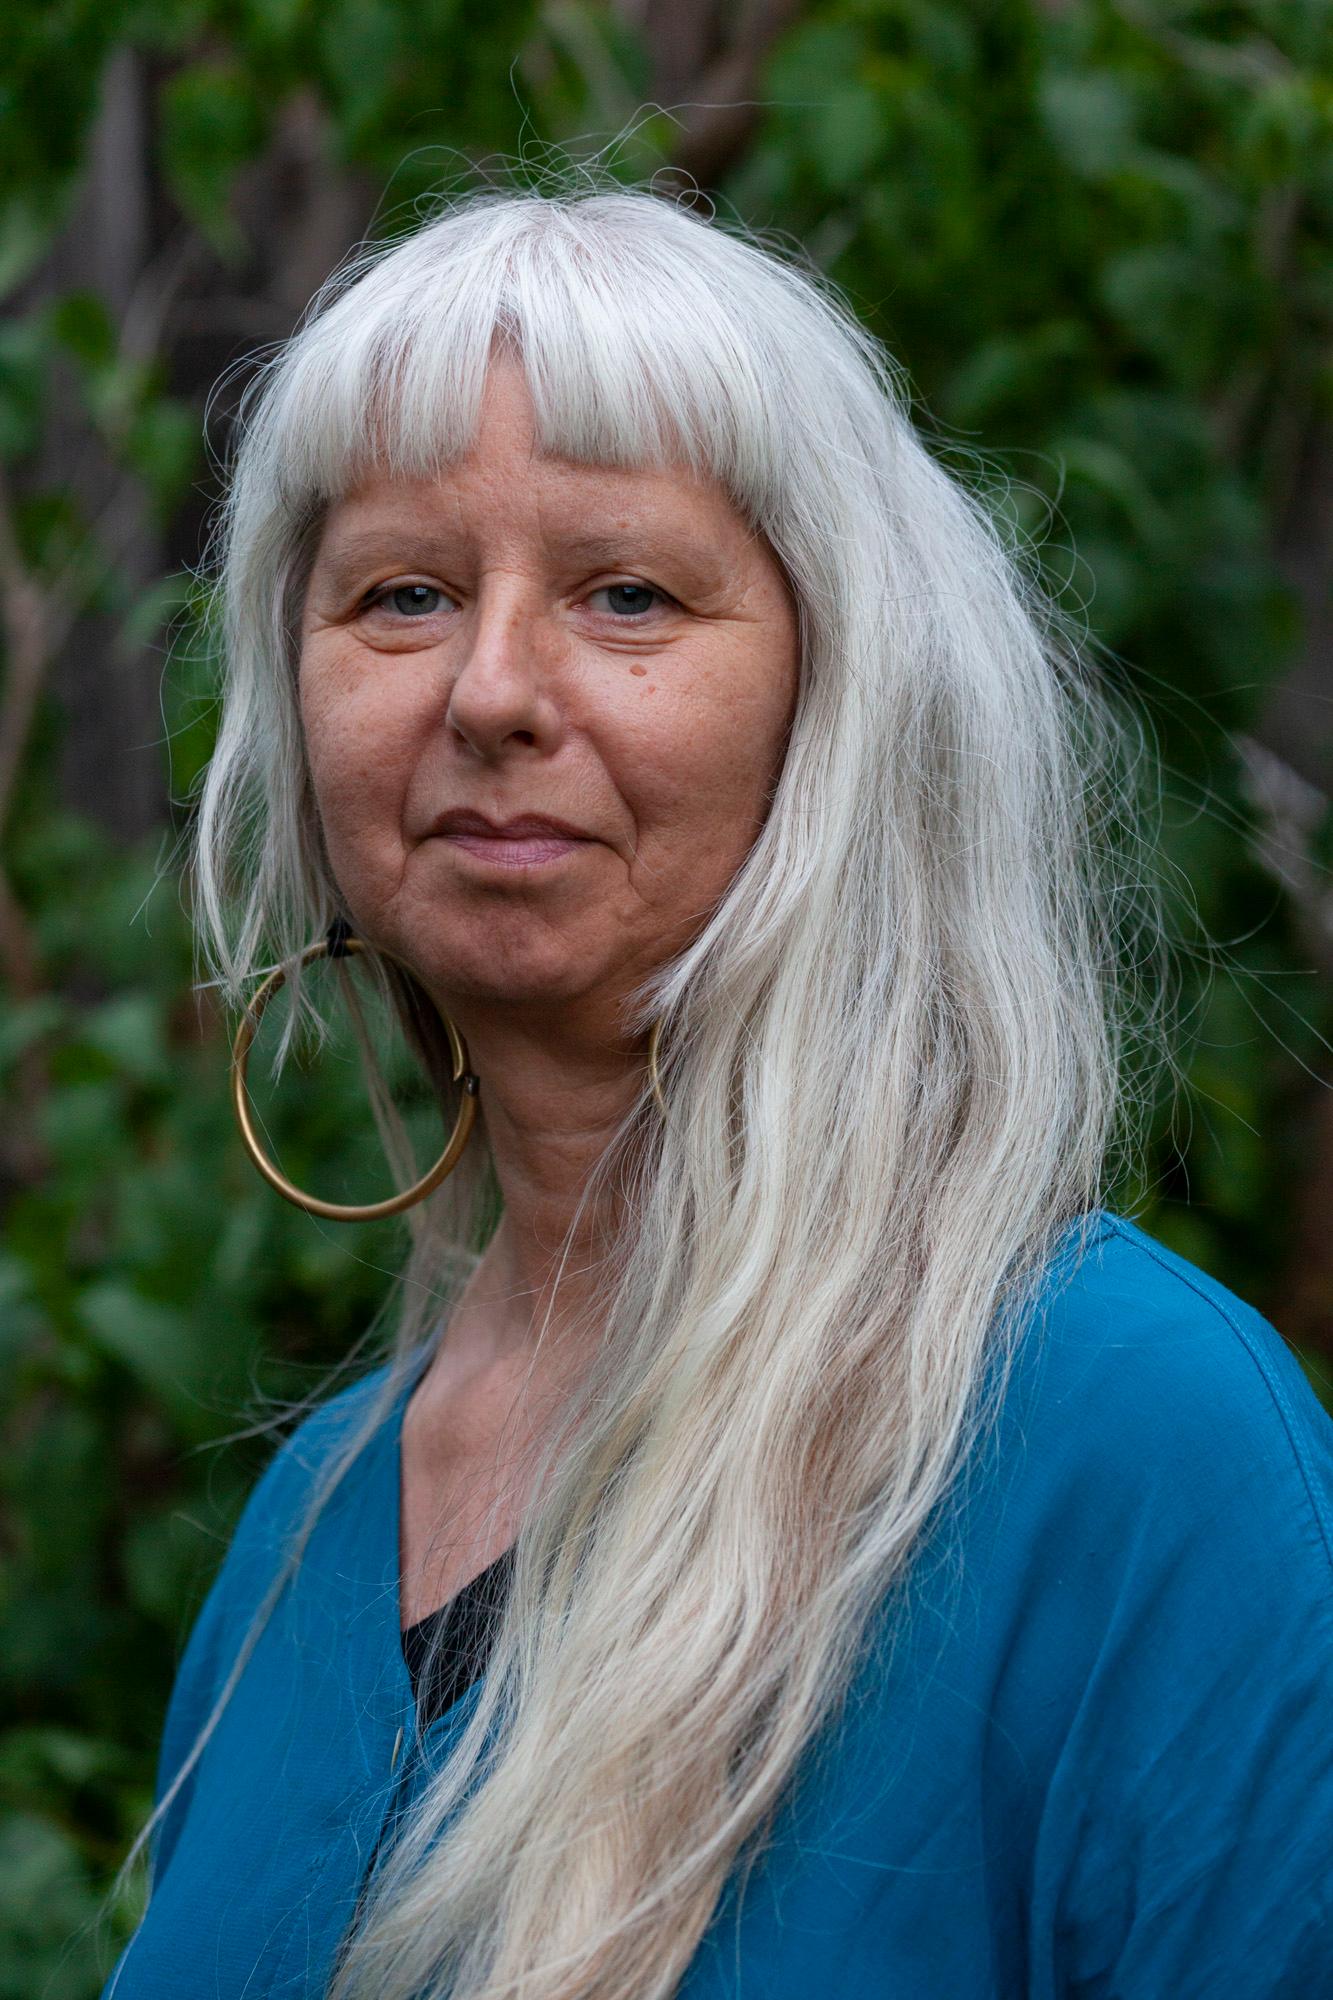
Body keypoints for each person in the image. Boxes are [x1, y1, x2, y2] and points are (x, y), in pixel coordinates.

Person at [101, 185, 1333, 2000]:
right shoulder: (304, 1540)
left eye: (626, 593)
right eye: (404, 594)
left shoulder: (1131, 1445)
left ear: (837, 703)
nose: (494, 689)